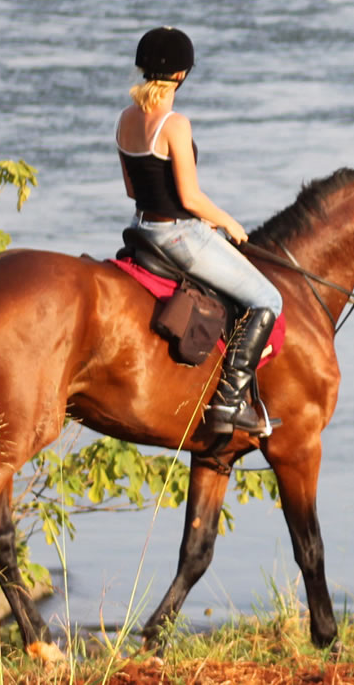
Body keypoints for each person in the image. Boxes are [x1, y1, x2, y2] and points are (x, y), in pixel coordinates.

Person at [116, 26, 283, 434]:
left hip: (141, 229)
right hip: (178, 235)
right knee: (267, 298)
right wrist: (226, 220)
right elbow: (190, 198)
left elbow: (132, 189)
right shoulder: (175, 124)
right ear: (182, 75)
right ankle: (229, 403)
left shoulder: (125, 118)